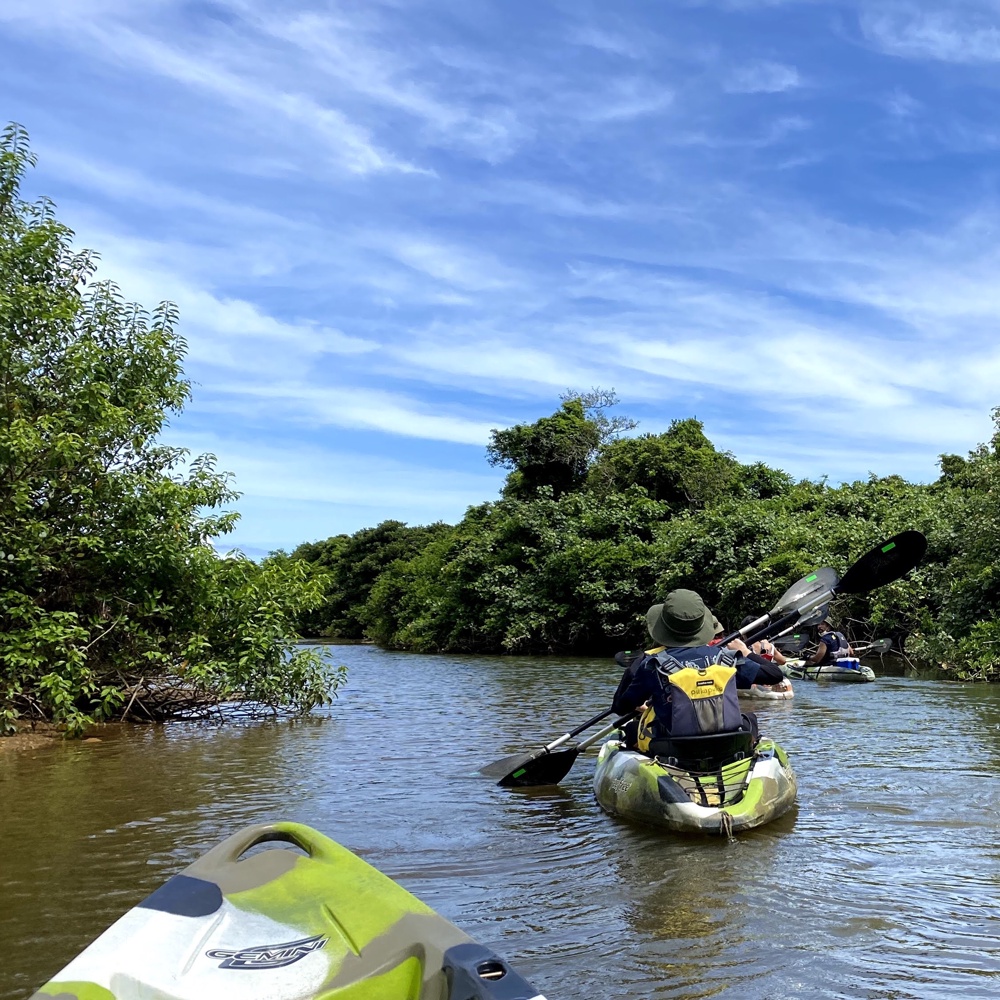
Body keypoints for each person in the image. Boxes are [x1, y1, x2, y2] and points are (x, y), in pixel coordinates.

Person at [612, 589, 763, 753]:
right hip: (725, 742)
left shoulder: (651, 663)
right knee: (750, 719)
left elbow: (620, 708)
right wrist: (745, 651)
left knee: (633, 729)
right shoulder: (725, 659)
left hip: (675, 747)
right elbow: (774, 674)